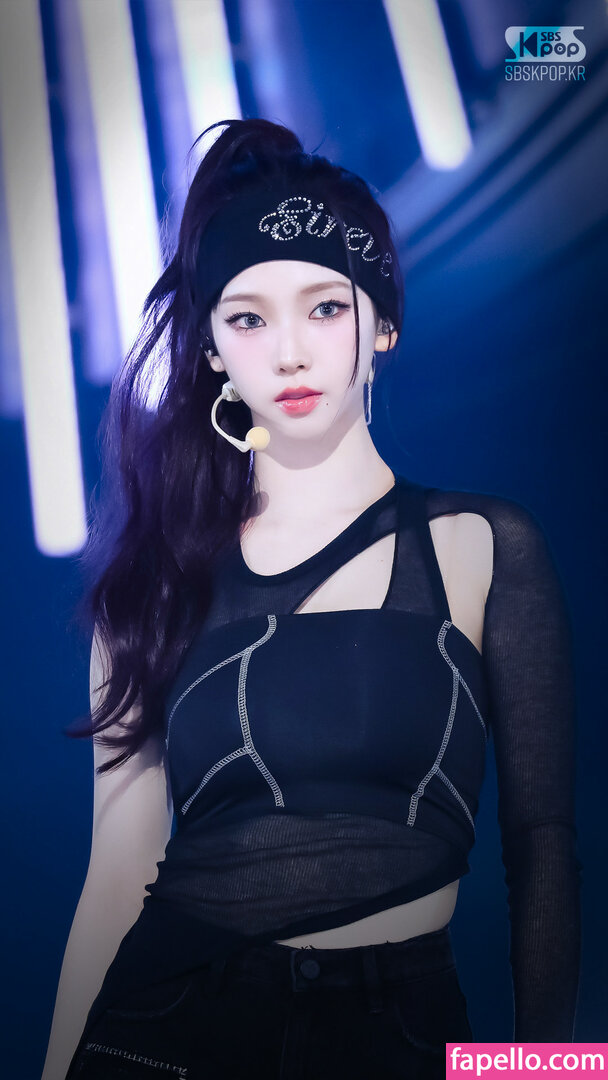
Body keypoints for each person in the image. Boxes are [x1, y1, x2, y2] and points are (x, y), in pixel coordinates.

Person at [42, 118, 582, 1080]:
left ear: (384, 323)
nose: (288, 352)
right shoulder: (156, 585)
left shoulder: (484, 545)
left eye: (325, 307)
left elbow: (542, 844)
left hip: (402, 1035)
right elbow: (115, 879)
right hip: (168, 1032)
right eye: (247, 318)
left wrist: (547, 1066)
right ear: (213, 349)